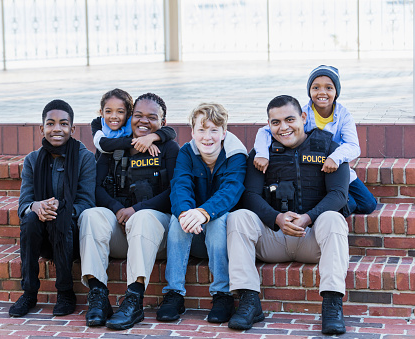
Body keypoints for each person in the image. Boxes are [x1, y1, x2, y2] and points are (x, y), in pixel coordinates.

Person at [227, 95, 349, 335]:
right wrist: (276, 218)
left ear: (303, 118)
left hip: (311, 237)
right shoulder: (262, 153)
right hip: (273, 238)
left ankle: (332, 304)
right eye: (275, 122)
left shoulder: (329, 148)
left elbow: (338, 195)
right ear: (268, 124)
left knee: (334, 218)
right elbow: (249, 195)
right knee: (238, 217)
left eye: (290, 119)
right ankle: (249, 301)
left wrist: (308, 217)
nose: (283, 128)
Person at [78, 93, 180, 330]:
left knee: (143, 218)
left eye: (152, 117)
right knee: (89, 216)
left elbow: (175, 193)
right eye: (138, 115)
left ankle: (134, 299)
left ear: (162, 123)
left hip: (155, 232)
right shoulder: (113, 148)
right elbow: (95, 188)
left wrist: (136, 209)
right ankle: (98, 295)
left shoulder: (170, 148)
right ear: (130, 117)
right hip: (120, 226)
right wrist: (117, 209)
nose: (143, 121)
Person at [156, 103, 248, 324]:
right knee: (177, 220)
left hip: (221, 226)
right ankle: (174, 294)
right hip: (193, 226)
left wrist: (204, 212)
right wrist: (186, 214)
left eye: (214, 130)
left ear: (224, 133)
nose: (208, 137)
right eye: (202, 130)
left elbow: (231, 191)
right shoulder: (187, 152)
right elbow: (180, 185)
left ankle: (222, 295)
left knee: (218, 221)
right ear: (193, 132)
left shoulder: (236, 155)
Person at [9, 99, 96, 317]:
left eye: (63, 124)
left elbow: (87, 202)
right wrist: (35, 206)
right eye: (50, 123)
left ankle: (66, 292)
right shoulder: (32, 160)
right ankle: (29, 292)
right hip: (42, 236)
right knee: (29, 219)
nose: (57, 128)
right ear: (42, 128)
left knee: (62, 218)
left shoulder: (85, 158)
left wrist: (63, 209)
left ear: (72, 129)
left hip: (72, 236)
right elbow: (23, 204)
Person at [253, 65, 376, 215]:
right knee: (342, 201)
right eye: (316, 87)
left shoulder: (343, 115)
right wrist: (262, 153)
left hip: (334, 166)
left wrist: (335, 157)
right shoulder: (302, 114)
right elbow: (265, 131)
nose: (322, 92)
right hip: (311, 167)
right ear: (309, 91)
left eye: (329, 88)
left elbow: (353, 146)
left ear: (336, 91)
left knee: (368, 204)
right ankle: (334, 203)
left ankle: (340, 201)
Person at [91, 88, 176, 159]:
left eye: (120, 112)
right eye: (108, 111)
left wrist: (150, 138)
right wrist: (137, 142)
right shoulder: (98, 124)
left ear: (128, 114)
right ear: (101, 112)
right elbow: (102, 144)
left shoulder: (131, 124)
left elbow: (171, 132)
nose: (114, 116)